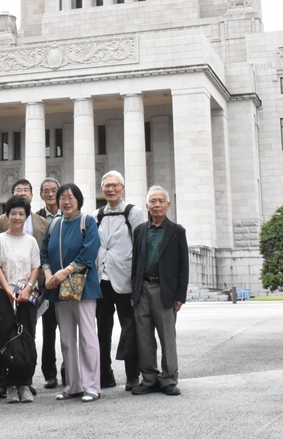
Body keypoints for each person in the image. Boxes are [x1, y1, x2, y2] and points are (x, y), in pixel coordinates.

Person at [41, 182, 102, 403]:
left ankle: (92, 386)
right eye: (62, 198)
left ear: (78, 200)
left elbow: (89, 252)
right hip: (58, 289)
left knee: (87, 337)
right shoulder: (54, 224)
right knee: (66, 338)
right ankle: (73, 385)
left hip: (83, 287)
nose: (66, 202)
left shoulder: (87, 221)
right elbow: (44, 253)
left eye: (70, 197)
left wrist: (64, 272)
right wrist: (49, 275)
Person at [0, 178, 48, 398]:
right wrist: (7, 290)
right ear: (7, 216)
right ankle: (9, 384)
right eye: (13, 213)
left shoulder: (30, 241)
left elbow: (36, 267)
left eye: (21, 214)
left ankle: (25, 383)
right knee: (6, 336)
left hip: (27, 294)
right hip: (3, 293)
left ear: (26, 216)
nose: (17, 217)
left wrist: (27, 289)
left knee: (27, 336)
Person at [130, 186, 189, 397]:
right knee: (144, 337)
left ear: (168, 205)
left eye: (160, 201)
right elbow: (136, 263)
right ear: (147, 205)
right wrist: (134, 292)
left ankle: (169, 379)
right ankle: (149, 378)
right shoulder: (140, 231)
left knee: (167, 337)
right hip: (142, 289)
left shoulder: (177, 231)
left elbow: (183, 265)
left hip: (165, 290)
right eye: (153, 201)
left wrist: (180, 296)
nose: (157, 205)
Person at [94, 170, 145, 390]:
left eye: (115, 185)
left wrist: (137, 284)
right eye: (107, 186)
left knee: (129, 327)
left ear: (122, 188)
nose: (111, 189)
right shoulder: (96, 215)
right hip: (102, 280)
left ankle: (133, 375)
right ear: (102, 189)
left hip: (125, 280)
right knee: (102, 330)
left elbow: (141, 248)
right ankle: (104, 374)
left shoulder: (133, 213)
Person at [35, 178, 62, 389]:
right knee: (48, 329)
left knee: (69, 328)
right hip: (46, 281)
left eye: (54, 190)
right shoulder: (36, 218)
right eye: (46, 191)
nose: (50, 194)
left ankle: (69, 371)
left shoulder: (71, 213)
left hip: (67, 279)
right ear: (41, 195)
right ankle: (50, 374)